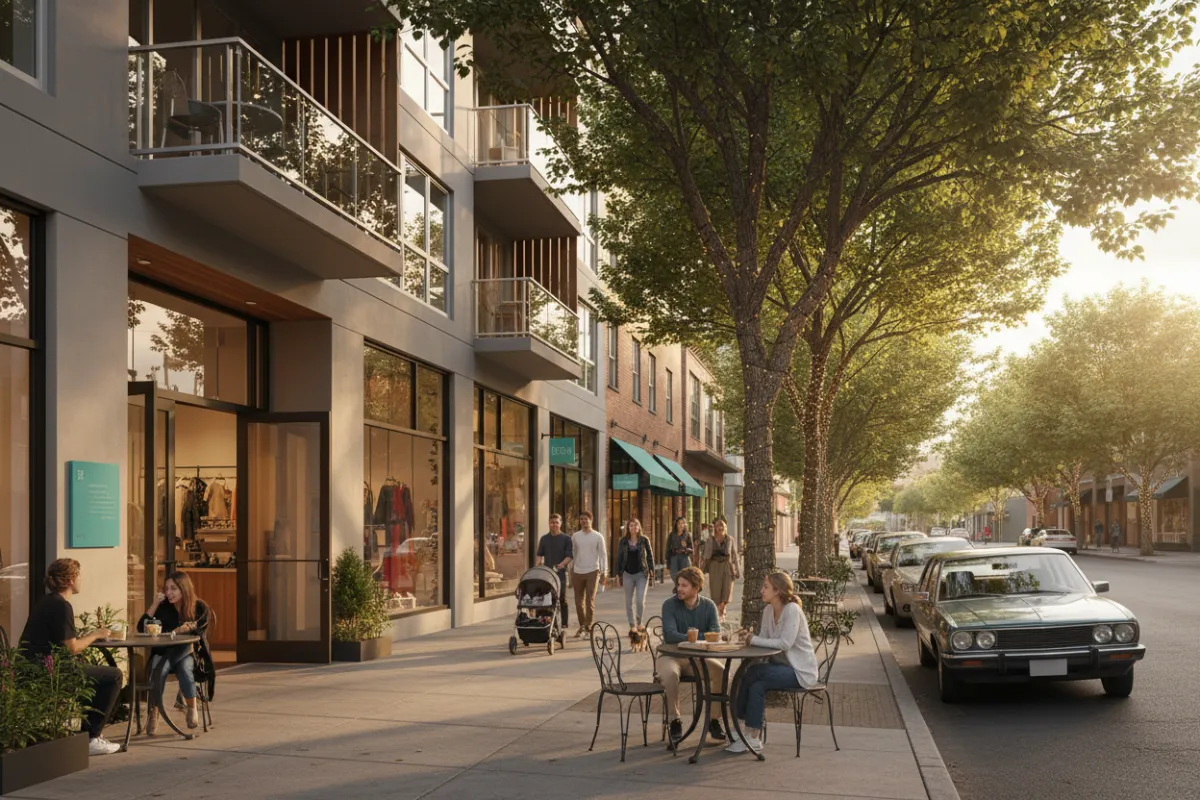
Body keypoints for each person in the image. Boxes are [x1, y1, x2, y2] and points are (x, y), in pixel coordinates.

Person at [19, 558, 123, 756]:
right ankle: (91, 738)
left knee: (95, 673)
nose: (81, 580)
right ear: (71, 580)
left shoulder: (46, 601)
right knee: (114, 676)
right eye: (79, 576)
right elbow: (71, 648)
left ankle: (86, 734)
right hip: (48, 671)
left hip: (32, 666)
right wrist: (96, 634)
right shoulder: (61, 606)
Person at [728, 571, 820, 754]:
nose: (761, 590)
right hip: (780, 668)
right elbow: (764, 640)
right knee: (756, 685)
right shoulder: (768, 611)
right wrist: (748, 640)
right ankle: (752, 736)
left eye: (766, 587)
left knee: (753, 673)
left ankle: (740, 725)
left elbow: (785, 643)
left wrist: (754, 640)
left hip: (800, 671)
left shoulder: (792, 610)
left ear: (777, 591)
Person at [659, 566, 727, 747]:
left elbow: (716, 633)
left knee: (721, 672)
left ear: (696, 588)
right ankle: (675, 721)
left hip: (698, 658)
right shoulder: (669, 605)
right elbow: (670, 635)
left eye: (684, 585)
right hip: (671, 656)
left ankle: (714, 721)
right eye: (678, 585)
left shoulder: (708, 606)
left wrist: (692, 639)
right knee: (670, 674)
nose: (679, 589)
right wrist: (697, 637)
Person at [139, 570, 211, 732]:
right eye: (166, 589)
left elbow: (202, 626)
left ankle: (192, 709)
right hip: (163, 652)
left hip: (186, 653)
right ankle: (154, 711)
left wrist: (188, 627)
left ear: (184, 589)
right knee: (160, 669)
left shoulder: (198, 606)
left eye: (173, 588)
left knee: (185, 669)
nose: (168, 593)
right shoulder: (163, 607)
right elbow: (141, 628)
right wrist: (154, 604)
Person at [570, 511, 607, 638]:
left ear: (591, 520)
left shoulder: (598, 536)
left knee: (589, 600)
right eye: (581, 519)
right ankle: (582, 626)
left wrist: (604, 572)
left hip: (593, 571)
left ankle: (589, 627)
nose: (584, 521)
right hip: (577, 571)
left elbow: (603, 555)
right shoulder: (575, 536)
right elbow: (572, 553)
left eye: (586, 519)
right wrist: (571, 569)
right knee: (578, 601)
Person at [615, 517, 654, 629]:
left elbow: (650, 555)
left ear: (639, 527)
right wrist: (618, 574)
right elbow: (619, 558)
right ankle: (632, 625)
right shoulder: (623, 541)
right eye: (631, 525)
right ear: (628, 527)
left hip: (642, 574)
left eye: (636, 525)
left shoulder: (644, 540)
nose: (633, 527)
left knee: (640, 600)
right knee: (629, 601)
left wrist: (651, 569)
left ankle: (639, 622)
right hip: (627, 574)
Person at [535, 513, 573, 627]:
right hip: (547, 574)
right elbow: (539, 555)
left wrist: (561, 564)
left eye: (557, 522)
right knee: (545, 598)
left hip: (560, 574)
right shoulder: (544, 539)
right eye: (552, 522)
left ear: (560, 523)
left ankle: (564, 624)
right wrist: (537, 568)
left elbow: (569, 556)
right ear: (549, 523)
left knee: (562, 598)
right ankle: (544, 622)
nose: (554, 525)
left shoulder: (566, 539)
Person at [700, 519, 740, 620]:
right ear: (715, 528)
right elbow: (705, 556)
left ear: (725, 528)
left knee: (727, 590)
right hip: (714, 566)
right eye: (718, 526)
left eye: (722, 526)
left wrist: (737, 570)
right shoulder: (710, 540)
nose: (720, 528)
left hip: (727, 566)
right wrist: (701, 570)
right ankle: (720, 613)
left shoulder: (730, 539)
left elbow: (734, 555)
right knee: (716, 591)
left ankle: (722, 609)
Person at [666, 516, 693, 581]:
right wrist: (668, 563)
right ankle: (678, 586)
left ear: (685, 524)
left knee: (685, 577)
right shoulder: (671, 535)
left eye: (682, 523)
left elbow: (692, 550)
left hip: (684, 558)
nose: (681, 525)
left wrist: (686, 547)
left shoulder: (687, 535)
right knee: (674, 577)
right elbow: (668, 549)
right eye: (679, 523)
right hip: (674, 558)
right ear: (676, 524)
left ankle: (681, 587)